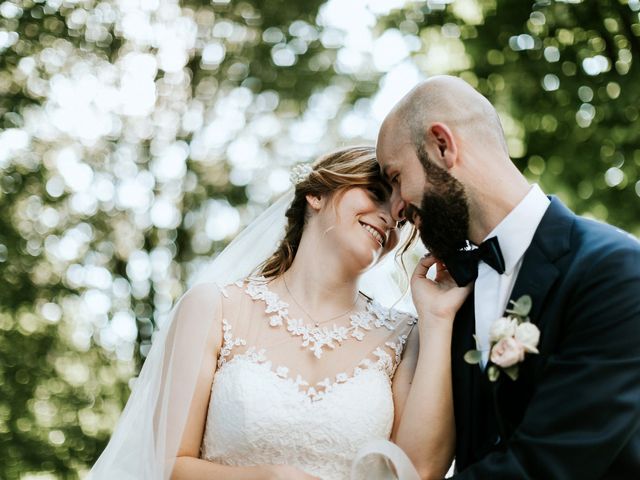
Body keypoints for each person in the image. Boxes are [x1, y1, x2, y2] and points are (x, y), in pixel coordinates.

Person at [90, 146, 469, 480]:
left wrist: (437, 321)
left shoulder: (406, 335)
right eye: (375, 194)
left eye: (402, 219)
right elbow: (167, 464)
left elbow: (420, 471)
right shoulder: (213, 308)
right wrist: (262, 478)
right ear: (317, 195)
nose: (389, 218)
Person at [376, 75, 640, 479]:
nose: (395, 209)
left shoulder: (614, 270)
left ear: (442, 145)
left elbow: (549, 465)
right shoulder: (453, 297)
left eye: (396, 179)